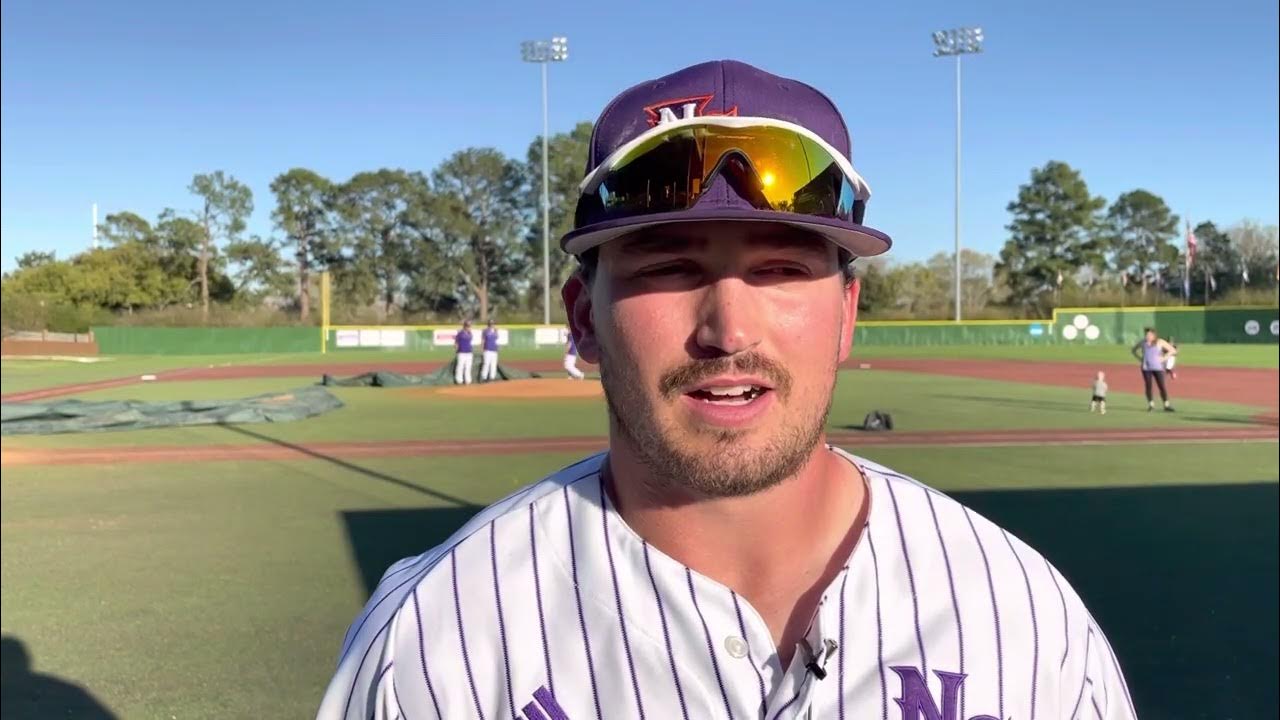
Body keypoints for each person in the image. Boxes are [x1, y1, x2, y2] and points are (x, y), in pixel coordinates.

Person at [318, 59, 1137, 720]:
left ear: (847, 315)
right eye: (670, 269)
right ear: (584, 319)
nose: (730, 330)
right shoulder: (434, 638)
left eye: (780, 270)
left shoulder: (1024, 614)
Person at [1132, 327, 1176, 411]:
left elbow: (1172, 350)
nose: (1147, 336)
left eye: (1149, 334)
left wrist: (1164, 358)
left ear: (1153, 335)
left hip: (1157, 367)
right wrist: (1140, 358)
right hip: (1146, 368)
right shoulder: (1143, 342)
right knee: (1148, 385)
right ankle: (1151, 404)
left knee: (1161, 386)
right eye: (1146, 334)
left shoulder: (1160, 342)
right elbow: (1133, 350)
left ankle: (1166, 405)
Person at [453, 320, 474, 385]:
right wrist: (456, 348)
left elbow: (470, 339)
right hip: (461, 352)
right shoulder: (460, 333)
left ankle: (468, 380)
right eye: (467, 326)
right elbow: (456, 342)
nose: (469, 327)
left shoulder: (470, 333)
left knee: (468, 367)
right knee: (460, 367)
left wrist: (469, 332)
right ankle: (459, 380)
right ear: (464, 326)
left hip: (469, 352)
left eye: (469, 326)